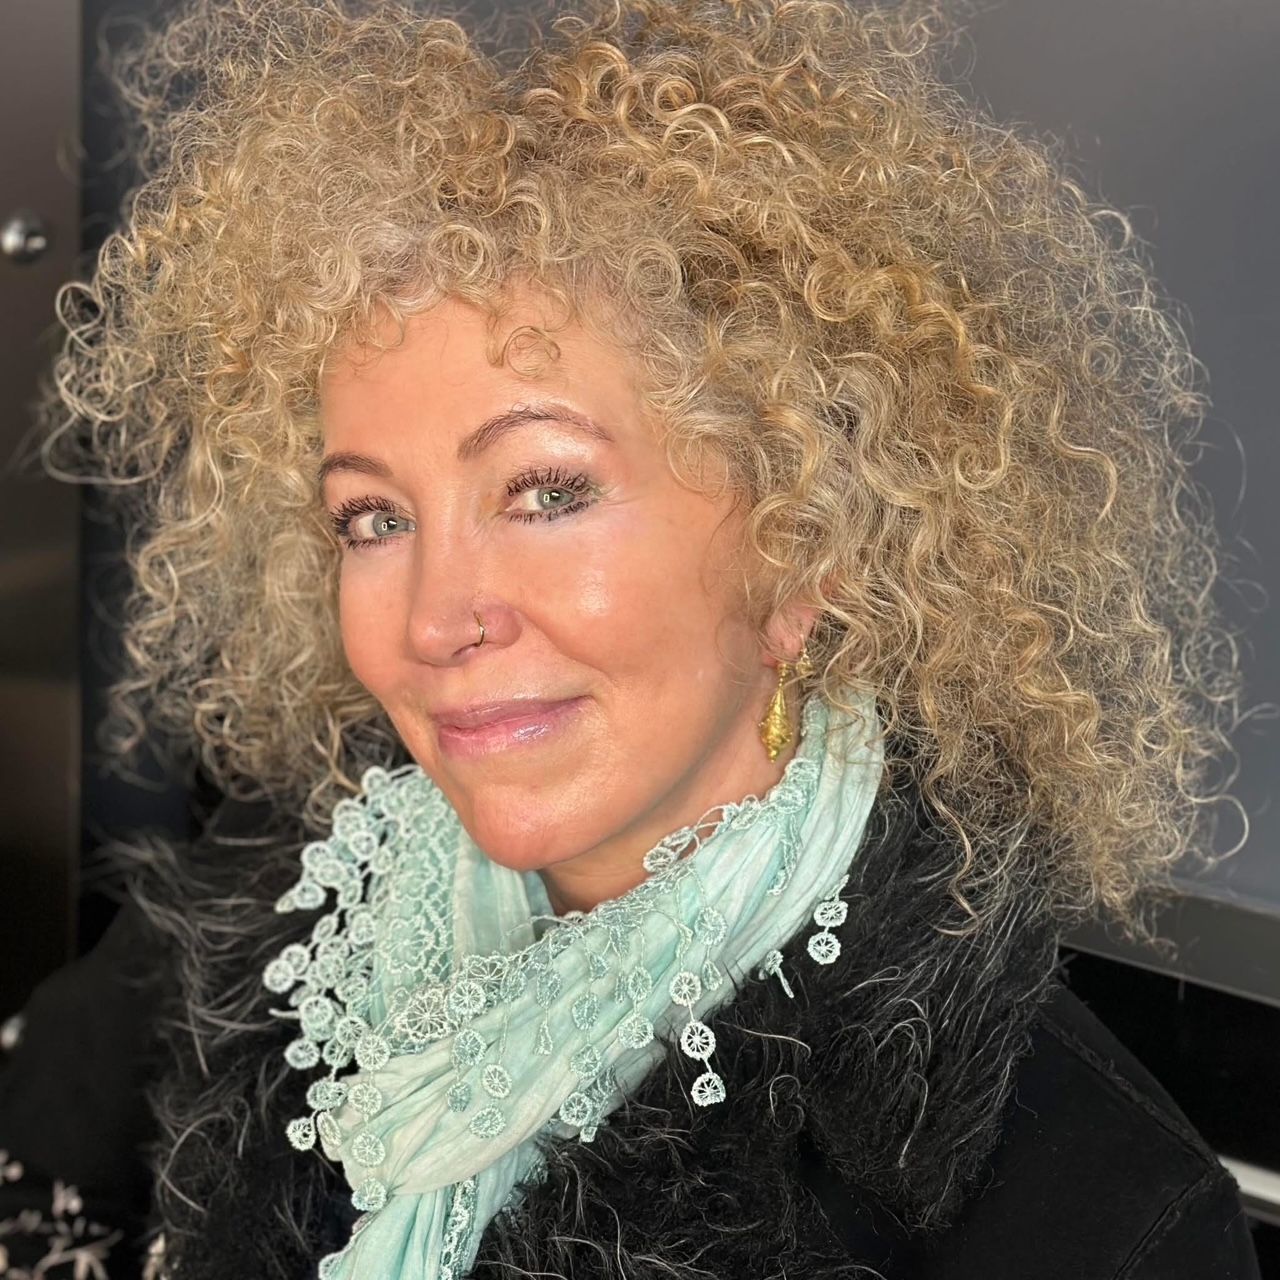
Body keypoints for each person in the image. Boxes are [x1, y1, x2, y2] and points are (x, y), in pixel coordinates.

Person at [0, 0, 1263, 1275]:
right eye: (373, 518)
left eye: (546, 492)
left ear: (804, 542)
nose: (434, 618)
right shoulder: (279, 887)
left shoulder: (1092, 1218)